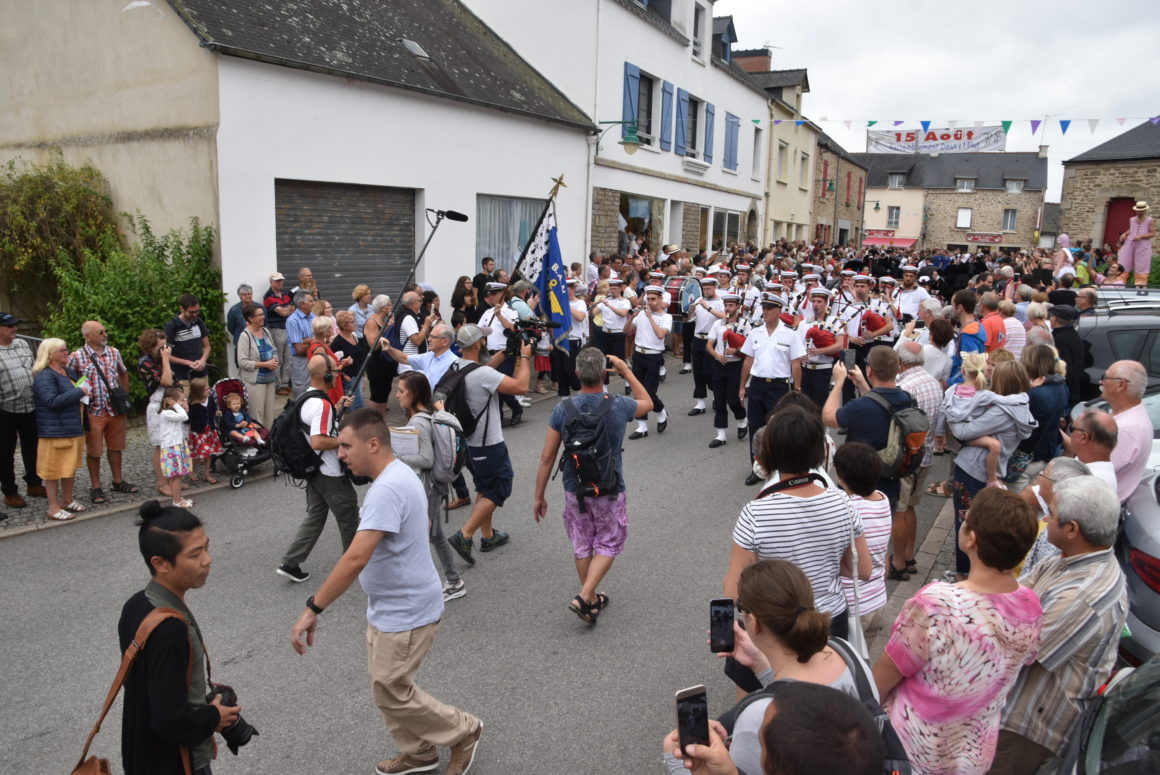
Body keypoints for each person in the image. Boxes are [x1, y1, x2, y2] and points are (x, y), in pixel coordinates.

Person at [290, 408, 482, 775]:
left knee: (391, 690)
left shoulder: (388, 488)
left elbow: (355, 558)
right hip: (389, 606)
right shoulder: (399, 475)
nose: (339, 454)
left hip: (407, 611)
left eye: (346, 446)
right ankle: (418, 752)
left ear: (373, 444)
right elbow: (421, 521)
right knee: (388, 688)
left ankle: (463, 730)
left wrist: (313, 608)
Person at [873, 488, 1043, 775]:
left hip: (914, 750)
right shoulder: (1030, 606)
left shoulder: (938, 605)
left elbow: (882, 679)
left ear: (972, 538)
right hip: (974, 753)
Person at [663, 560, 884, 775]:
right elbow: (803, 692)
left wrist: (676, 762)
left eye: (740, 609)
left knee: (672, 745)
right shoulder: (846, 650)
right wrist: (762, 666)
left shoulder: (761, 716)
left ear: (753, 622)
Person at [990, 476, 1128, 775]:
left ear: (1072, 529)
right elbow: (1014, 593)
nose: (1045, 519)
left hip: (1027, 727)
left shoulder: (1084, 596)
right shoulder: (1069, 558)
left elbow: (1015, 647)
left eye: (1051, 514)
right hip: (1016, 707)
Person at [724, 408, 871, 676]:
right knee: (829, 692)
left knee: (769, 693)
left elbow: (734, 592)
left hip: (775, 625)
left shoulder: (755, 513)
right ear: (821, 451)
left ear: (769, 454)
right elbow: (863, 570)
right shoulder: (842, 502)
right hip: (830, 620)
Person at [119, 501, 242, 775]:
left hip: (143, 754)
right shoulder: (170, 628)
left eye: (207, 548)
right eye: (195, 554)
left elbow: (150, 690)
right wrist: (214, 717)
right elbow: (169, 721)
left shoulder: (137, 604)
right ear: (160, 563)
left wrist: (202, 716)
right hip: (176, 763)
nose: (207, 560)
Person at [533, 348, 651, 624]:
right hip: (609, 486)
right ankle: (585, 594)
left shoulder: (563, 409)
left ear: (577, 374)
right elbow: (648, 402)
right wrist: (626, 371)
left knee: (582, 543)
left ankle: (591, 600)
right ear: (603, 374)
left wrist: (539, 495)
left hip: (575, 488)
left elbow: (547, 457)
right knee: (609, 541)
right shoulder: (618, 405)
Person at [446, 324, 532, 566]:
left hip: (468, 442)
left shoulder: (457, 366)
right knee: (500, 487)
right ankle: (464, 534)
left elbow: (482, 371)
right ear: (477, 344)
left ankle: (488, 536)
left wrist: (505, 352)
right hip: (488, 443)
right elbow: (521, 386)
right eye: (483, 340)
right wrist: (525, 357)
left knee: (485, 486)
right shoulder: (483, 375)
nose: (485, 342)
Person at [943, 360, 1037, 576]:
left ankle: (964, 574)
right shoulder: (1020, 405)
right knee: (981, 524)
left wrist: (950, 411)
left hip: (972, 470)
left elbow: (962, 431)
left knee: (966, 523)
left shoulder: (1001, 412)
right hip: (990, 470)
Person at [275, 355, 359, 583]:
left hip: (313, 470)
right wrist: (347, 441)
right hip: (329, 472)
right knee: (348, 515)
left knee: (315, 516)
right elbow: (319, 441)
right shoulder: (322, 405)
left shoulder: (307, 397)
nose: (338, 374)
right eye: (335, 370)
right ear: (326, 375)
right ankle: (354, 565)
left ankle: (290, 562)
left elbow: (315, 426)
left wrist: (338, 406)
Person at [393, 371, 467, 603]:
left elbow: (426, 459)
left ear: (414, 394)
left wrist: (396, 457)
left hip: (429, 487)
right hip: (433, 486)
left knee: (430, 535)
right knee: (432, 534)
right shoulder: (428, 413)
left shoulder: (418, 421)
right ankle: (448, 581)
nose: (397, 395)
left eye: (401, 391)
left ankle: (453, 582)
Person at [823, 346, 913, 510]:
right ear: (898, 368)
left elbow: (828, 418)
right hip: (890, 479)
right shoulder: (907, 399)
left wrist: (838, 383)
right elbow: (880, 403)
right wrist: (862, 383)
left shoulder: (860, 406)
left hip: (857, 485)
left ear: (869, 370)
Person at [68, 320, 139, 504]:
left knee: (116, 447)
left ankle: (118, 481)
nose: (105, 334)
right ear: (87, 336)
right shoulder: (77, 356)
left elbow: (123, 373)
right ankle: (96, 486)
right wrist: (79, 400)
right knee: (94, 451)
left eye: (105, 331)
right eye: (100, 332)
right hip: (93, 410)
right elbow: (68, 379)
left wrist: (123, 396)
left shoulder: (114, 352)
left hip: (115, 410)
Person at [739, 292, 804, 485]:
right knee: (754, 427)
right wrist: (742, 386)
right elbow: (748, 360)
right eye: (763, 308)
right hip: (757, 384)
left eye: (769, 309)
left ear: (779, 311)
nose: (765, 312)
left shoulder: (790, 334)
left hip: (779, 386)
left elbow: (796, 363)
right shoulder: (755, 332)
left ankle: (778, 468)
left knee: (777, 428)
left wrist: (797, 389)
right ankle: (757, 468)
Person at [892, 341, 943, 580]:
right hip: (925, 453)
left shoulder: (904, 387)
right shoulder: (933, 382)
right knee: (910, 506)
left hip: (906, 457)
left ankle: (899, 562)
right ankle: (909, 556)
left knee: (900, 509)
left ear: (900, 362)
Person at [832, 443, 893, 642]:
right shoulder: (883, 499)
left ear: (841, 477)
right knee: (865, 656)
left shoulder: (847, 509)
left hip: (854, 604)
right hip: (878, 598)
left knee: (846, 658)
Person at [32, 338, 91, 520]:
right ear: (50, 355)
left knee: (69, 467)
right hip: (54, 431)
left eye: (66, 349)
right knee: (53, 471)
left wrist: (83, 388)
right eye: (62, 350)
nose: (67, 353)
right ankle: (53, 507)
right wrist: (80, 392)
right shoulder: (45, 376)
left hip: (72, 427)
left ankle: (67, 499)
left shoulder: (67, 371)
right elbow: (51, 401)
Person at [1006, 344, 1070, 492]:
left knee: (1017, 501)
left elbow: (1014, 422)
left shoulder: (1034, 394)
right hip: (1046, 455)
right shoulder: (1061, 387)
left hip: (1025, 460)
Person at [0, 311, 45, 510]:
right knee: (5, 453)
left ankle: (34, 483)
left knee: (33, 448)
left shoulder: (22, 344)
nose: (15, 328)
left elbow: (34, 369)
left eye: (15, 324)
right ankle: (10, 492)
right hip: (5, 410)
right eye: (10, 326)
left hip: (30, 407)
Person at [1101, 359, 1154, 501]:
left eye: (1105, 377)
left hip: (1096, 505)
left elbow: (1094, 474)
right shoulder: (1133, 416)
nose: (1101, 382)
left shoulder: (1126, 428)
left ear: (1121, 384)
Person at [625, 284, 672, 440]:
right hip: (638, 355)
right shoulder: (641, 314)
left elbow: (660, 335)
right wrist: (631, 317)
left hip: (653, 356)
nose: (650, 302)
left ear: (660, 299)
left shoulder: (666, 317)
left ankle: (661, 411)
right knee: (638, 392)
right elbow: (626, 331)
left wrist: (650, 317)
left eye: (653, 299)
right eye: (648, 299)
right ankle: (642, 426)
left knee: (649, 393)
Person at [705, 292, 750, 447]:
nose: (728, 308)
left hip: (736, 365)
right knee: (719, 400)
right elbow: (709, 345)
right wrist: (716, 355)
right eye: (726, 305)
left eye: (731, 305)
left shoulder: (745, 324)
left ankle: (742, 418)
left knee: (733, 399)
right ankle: (720, 435)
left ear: (738, 307)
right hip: (720, 364)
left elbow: (750, 347)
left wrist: (736, 350)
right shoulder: (718, 324)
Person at [138, 328, 177, 496]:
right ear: (150, 347)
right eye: (161, 347)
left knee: (174, 443)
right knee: (161, 445)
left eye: (165, 346)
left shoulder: (161, 359)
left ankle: (173, 480)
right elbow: (166, 381)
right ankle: (161, 483)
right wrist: (166, 359)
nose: (164, 350)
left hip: (171, 404)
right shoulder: (145, 362)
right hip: (158, 407)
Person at [235, 302, 279, 428]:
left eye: (263, 314)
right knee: (257, 415)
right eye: (259, 315)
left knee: (269, 414)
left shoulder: (266, 331)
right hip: (255, 382)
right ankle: (258, 438)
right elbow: (242, 362)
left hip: (270, 379)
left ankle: (269, 437)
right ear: (250, 318)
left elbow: (274, 350)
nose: (263, 317)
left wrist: (274, 360)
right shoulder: (245, 336)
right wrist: (265, 364)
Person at [687, 275, 726, 416]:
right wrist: (689, 311)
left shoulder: (721, 302)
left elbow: (724, 317)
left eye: (709, 288)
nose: (706, 291)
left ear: (715, 287)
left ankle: (716, 396)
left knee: (710, 372)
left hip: (712, 340)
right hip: (698, 338)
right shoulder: (699, 300)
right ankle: (700, 403)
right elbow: (688, 319)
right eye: (704, 289)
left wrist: (707, 307)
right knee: (697, 372)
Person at [157, 386, 193, 508]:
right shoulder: (167, 413)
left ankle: (177, 498)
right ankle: (177, 501)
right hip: (173, 447)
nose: (183, 402)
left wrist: (182, 406)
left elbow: (183, 415)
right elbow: (184, 417)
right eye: (181, 400)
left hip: (175, 446)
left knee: (175, 476)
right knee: (177, 476)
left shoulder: (171, 413)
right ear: (170, 401)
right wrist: (176, 405)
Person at [164, 294, 211, 383]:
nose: (195, 315)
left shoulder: (198, 321)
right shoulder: (172, 326)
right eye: (191, 312)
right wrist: (188, 363)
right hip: (181, 376)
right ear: (182, 309)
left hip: (201, 373)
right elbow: (167, 356)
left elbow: (207, 347)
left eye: (197, 311)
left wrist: (203, 360)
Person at [363, 294, 396, 417]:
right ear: (382, 308)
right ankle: (373, 420)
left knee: (385, 392)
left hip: (386, 363)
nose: (391, 307)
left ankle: (381, 419)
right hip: (376, 364)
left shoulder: (384, 320)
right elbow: (374, 345)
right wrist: (388, 327)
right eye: (389, 305)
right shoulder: (372, 322)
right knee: (377, 394)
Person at [185, 377, 221, 485]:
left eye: (208, 388)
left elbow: (213, 410)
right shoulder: (193, 405)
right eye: (206, 389)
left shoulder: (210, 399)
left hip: (209, 432)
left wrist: (216, 413)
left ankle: (206, 474)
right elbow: (187, 420)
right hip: (198, 433)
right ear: (198, 392)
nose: (209, 390)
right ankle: (192, 470)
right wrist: (186, 411)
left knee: (208, 454)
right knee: (197, 456)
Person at [263, 272, 295, 394]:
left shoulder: (286, 293)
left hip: (287, 329)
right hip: (276, 329)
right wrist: (289, 308)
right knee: (278, 358)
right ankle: (277, 386)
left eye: (281, 280)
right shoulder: (268, 296)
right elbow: (283, 312)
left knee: (288, 358)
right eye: (277, 281)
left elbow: (292, 308)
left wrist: (288, 309)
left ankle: (285, 383)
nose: (280, 282)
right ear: (271, 282)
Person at [948, 289, 987, 386]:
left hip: (962, 386)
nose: (951, 308)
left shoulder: (968, 335)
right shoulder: (976, 325)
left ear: (959, 308)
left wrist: (950, 383)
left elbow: (970, 367)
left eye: (952, 305)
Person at [333, 309, 367, 410]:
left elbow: (360, 357)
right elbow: (335, 363)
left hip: (358, 376)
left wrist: (362, 376)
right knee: (351, 408)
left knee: (359, 405)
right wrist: (344, 376)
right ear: (344, 325)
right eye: (352, 322)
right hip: (349, 379)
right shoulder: (337, 342)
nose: (355, 323)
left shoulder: (355, 336)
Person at [286, 290, 316, 399]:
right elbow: (299, 349)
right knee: (302, 391)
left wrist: (307, 341)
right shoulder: (293, 321)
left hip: (314, 358)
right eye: (311, 301)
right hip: (301, 361)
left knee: (314, 388)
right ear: (302, 304)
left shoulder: (313, 316)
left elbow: (321, 338)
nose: (313, 303)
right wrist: (315, 343)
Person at [1117, 201, 1154, 287]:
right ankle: (1118, 284)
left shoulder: (1149, 220)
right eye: (1137, 210)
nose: (1138, 212)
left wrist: (1141, 236)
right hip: (1130, 243)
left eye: (1140, 210)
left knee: (1142, 265)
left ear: (1144, 210)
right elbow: (1131, 229)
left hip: (1143, 244)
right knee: (1124, 262)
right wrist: (1124, 234)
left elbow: (1152, 233)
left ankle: (1140, 287)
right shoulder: (1132, 219)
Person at [225, 283, 253, 349]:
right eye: (244, 294)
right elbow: (231, 328)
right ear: (239, 296)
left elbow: (265, 322)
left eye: (249, 294)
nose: (247, 296)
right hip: (240, 343)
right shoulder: (234, 310)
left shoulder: (259, 307)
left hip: (257, 341)